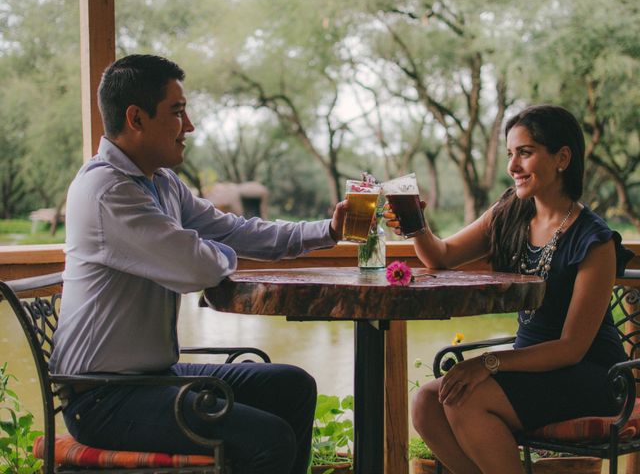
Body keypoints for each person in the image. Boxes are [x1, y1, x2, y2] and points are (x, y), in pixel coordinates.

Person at [49, 54, 348, 474]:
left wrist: (327, 232)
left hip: (151, 377)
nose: (189, 125)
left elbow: (235, 231)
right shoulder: (107, 191)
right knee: (269, 440)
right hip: (103, 397)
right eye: (177, 111)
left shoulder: (162, 182)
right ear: (136, 118)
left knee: (292, 386)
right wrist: (212, 250)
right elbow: (202, 269)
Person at [385, 105, 634, 474]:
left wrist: (486, 364)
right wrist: (415, 224)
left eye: (525, 152)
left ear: (562, 158)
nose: (512, 166)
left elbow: (571, 348)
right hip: (531, 369)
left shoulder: (594, 241)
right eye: (509, 154)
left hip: (593, 376)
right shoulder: (512, 212)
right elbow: (442, 256)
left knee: (464, 399)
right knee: (426, 402)